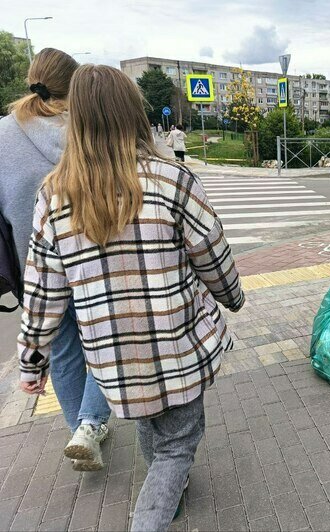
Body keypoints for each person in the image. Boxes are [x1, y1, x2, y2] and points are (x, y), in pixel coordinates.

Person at [17, 64, 245, 531]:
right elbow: (213, 256)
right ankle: (153, 514)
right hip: (176, 348)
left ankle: (171, 488)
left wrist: (30, 361)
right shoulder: (171, 181)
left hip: (113, 361)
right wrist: (232, 298)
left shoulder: (55, 197)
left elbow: (42, 294)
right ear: (134, 115)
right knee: (178, 443)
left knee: (149, 424)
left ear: (75, 121)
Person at [0, 48, 112, 471]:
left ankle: (82, 432)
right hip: (94, 262)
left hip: (35, 267)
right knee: (106, 342)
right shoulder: (86, 132)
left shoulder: (2, 135)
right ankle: (90, 424)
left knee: (64, 352)